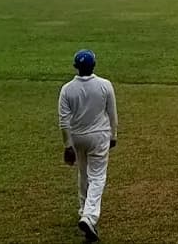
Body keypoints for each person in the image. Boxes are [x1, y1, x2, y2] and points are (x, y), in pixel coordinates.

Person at [59, 50, 118, 243]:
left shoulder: (67, 89)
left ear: (76, 67)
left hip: (77, 138)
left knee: (83, 174)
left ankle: (83, 210)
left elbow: (64, 122)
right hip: (99, 136)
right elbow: (112, 114)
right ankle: (89, 216)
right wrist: (113, 135)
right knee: (98, 177)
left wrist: (68, 145)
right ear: (94, 65)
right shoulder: (105, 85)